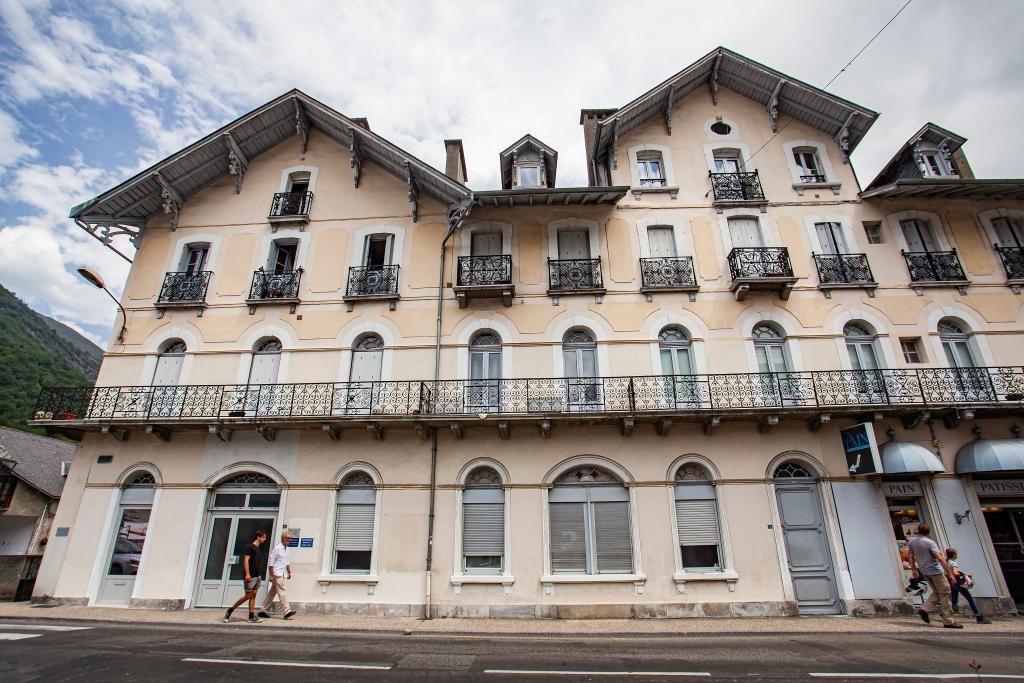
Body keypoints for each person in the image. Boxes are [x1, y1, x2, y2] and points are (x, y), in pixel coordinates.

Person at [907, 524, 961, 629]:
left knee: (937, 592)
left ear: (918, 531)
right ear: (928, 532)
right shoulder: (930, 542)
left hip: (924, 571)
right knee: (945, 593)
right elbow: (940, 558)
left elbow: (910, 555)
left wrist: (914, 569)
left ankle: (925, 609)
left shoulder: (912, 542)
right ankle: (948, 621)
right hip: (935, 571)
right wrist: (949, 573)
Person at [223, 530, 267, 624]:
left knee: (253, 595)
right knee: (248, 595)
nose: (264, 539)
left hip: (257, 576)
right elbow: (246, 560)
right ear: (258, 537)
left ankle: (251, 616)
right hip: (250, 576)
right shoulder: (250, 547)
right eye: (263, 537)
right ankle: (230, 609)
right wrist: (247, 574)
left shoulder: (258, 548)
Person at [946, 548, 991, 624]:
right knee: (970, 599)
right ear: (954, 555)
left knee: (954, 600)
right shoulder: (953, 563)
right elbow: (955, 572)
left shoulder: (947, 562)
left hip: (951, 582)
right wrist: (965, 574)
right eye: (956, 554)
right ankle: (979, 617)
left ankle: (945, 613)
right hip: (957, 582)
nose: (957, 555)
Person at [258, 531, 296, 620]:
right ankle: (287, 611)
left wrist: (289, 572)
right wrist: (271, 575)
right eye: (288, 538)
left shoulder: (287, 549)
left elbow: (287, 562)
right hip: (276, 573)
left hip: (282, 573)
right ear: (283, 538)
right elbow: (271, 563)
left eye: (291, 538)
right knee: (282, 592)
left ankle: (262, 611)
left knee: (271, 593)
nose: (290, 540)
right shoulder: (277, 548)